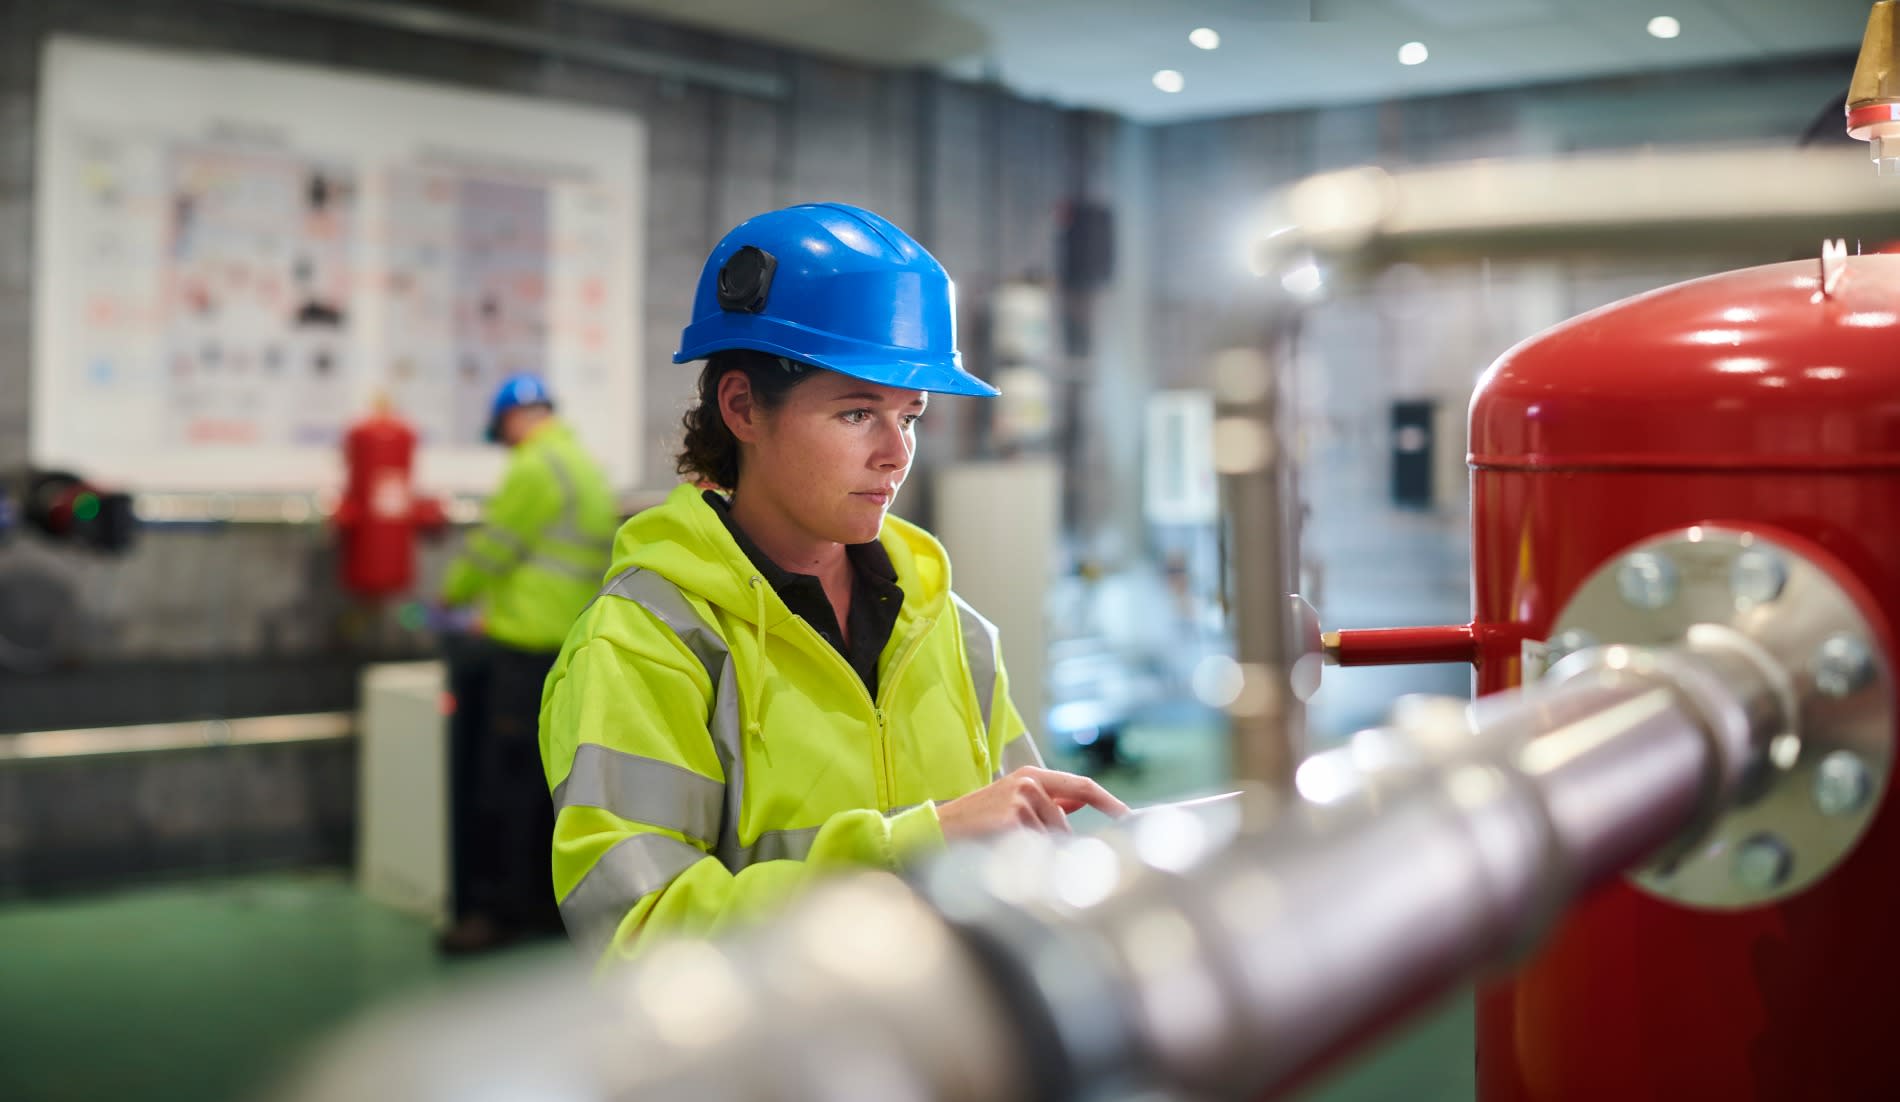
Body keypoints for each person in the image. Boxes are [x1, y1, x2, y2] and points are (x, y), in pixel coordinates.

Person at [538, 202, 1128, 964]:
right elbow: (643, 936)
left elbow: (1016, 841)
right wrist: (914, 847)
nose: (895, 454)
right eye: (857, 413)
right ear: (743, 407)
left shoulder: (953, 629)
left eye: (910, 417)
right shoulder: (644, 644)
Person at [436, 372, 619, 953]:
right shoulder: (584, 467)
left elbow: (494, 548)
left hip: (522, 645)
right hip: (570, 643)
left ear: (514, 419)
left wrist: (450, 598)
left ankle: (492, 912)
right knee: (550, 784)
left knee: (502, 785)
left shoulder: (535, 467)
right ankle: (544, 904)